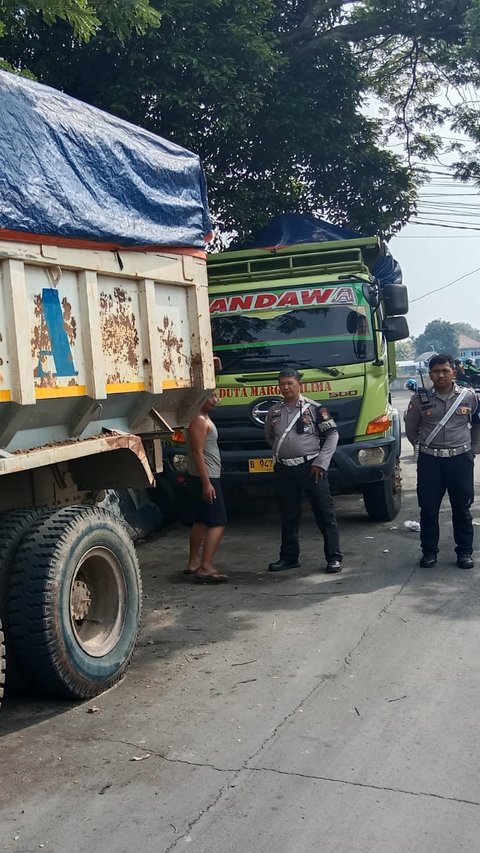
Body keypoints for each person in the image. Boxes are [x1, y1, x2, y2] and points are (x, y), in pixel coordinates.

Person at [264, 367, 343, 573]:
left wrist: (321, 462)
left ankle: (333, 557)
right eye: (282, 384)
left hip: (312, 467)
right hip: (285, 469)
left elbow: (333, 435)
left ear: (300, 384)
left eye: (290, 383)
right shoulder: (274, 411)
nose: (286, 387)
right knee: (288, 515)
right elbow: (271, 438)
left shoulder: (315, 409)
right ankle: (289, 557)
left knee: (324, 514)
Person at [404, 353, 477, 570]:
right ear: (430, 374)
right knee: (428, 509)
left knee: (462, 509)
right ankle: (429, 553)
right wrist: (424, 447)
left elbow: (478, 424)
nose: (441, 375)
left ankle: (464, 552)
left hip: (460, 461)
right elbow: (411, 427)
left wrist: (473, 450)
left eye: (445, 370)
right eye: (436, 371)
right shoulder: (420, 398)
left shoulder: (469, 396)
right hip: (431, 463)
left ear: (453, 372)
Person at [184, 392, 228, 583]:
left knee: (201, 520)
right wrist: (207, 483)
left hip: (205, 476)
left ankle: (193, 562)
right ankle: (205, 566)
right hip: (207, 477)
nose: (215, 400)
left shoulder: (203, 417)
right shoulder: (199, 419)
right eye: (211, 396)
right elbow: (197, 452)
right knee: (218, 522)